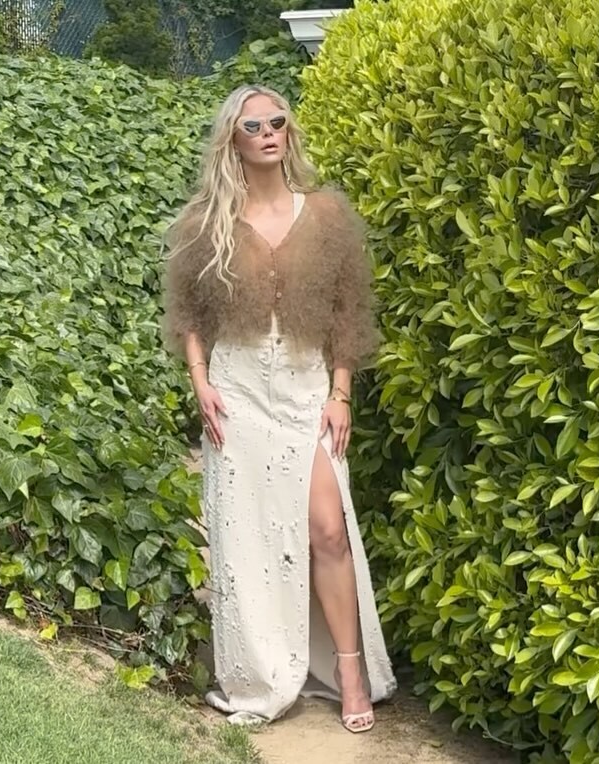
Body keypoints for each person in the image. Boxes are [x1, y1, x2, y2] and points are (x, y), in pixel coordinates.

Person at [163, 84, 396, 732]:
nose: (268, 132)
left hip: (304, 388)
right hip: (236, 388)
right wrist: (200, 380)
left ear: (289, 131)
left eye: (277, 121)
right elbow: (189, 312)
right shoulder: (205, 221)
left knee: (327, 528)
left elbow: (348, 312)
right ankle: (263, 670)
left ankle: (350, 671)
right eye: (253, 125)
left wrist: (340, 392)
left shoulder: (325, 214)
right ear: (232, 141)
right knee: (248, 537)